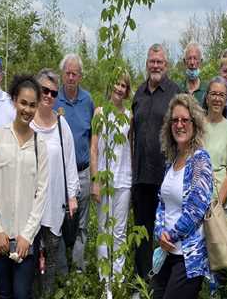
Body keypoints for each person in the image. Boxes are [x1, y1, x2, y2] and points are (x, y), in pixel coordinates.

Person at [0, 75, 48, 299]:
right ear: (14, 101)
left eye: (32, 105)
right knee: (4, 292)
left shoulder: (40, 146)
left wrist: (27, 236)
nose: (27, 109)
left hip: (26, 237)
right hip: (0, 235)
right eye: (23, 103)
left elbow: (41, 195)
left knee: (22, 293)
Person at [152, 93, 213, 299]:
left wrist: (170, 236)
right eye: (175, 120)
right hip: (166, 252)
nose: (179, 125)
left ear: (194, 124)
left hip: (187, 257)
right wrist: (159, 230)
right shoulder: (172, 160)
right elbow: (162, 203)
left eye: (185, 120)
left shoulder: (200, 160)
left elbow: (196, 209)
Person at [131, 43, 180, 282]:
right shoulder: (138, 93)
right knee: (141, 232)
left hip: (165, 176)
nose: (156, 65)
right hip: (140, 177)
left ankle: (162, 280)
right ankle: (142, 281)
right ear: (147, 63)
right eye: (152, 61)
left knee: (165, 232)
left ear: (166, 65)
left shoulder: (175, 92)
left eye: (160, 62)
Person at [30, 69, 80, 297]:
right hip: (29, 207)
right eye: (44, 90)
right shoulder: (26, 124)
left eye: (53, 92)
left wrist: (72, 197)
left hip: (55, 204)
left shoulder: (62, 126)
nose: (48, 95)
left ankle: (47, 294)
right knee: (28, 259)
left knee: (50, 260)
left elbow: (70, 164)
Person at [90, 73, 132, 293]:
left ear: (127, 90)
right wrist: (95, 181)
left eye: (124, 85)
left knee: (119, 231)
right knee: (103, 230)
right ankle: (104, 280)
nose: (119, 88)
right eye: (117, 82)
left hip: (124, 179)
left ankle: (118, 279)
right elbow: (94, 148)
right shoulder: (100, 112)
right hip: (104, 179)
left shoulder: (129, 115)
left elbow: (131, 149)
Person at [53, 53, 95, 273]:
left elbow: (91, 138)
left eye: (74, 73)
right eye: (67, 73)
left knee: (81, 224)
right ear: (62, 75)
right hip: (59, 174)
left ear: (80, 76)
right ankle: (62, 271)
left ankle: (78, 271)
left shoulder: (87, 100)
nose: (70, 77)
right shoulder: (53, 100)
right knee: (60, 222)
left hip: (83, 171)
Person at [203, 77, 227, 212]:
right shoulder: (196, 126)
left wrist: (217, 205)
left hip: (219, 204)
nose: (217, 99)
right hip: (195, 201)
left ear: (226, 101)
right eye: (213, 94)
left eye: (221, 95)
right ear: (207, 98)